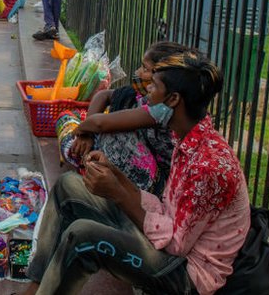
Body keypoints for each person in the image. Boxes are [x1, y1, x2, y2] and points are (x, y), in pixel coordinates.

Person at [19, 50, 250, 295]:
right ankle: (35, 287)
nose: (148, 88)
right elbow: (164, 209)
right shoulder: (188, 138)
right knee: (68, 186)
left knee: (83, 236)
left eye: (155, 85)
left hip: (187, 273)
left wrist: (118, 193)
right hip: (167, 237)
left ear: (173, 99)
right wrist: (116, 176)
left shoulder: (210, 166)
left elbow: (176, 244)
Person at [65, 41, 189, 196]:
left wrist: (82, 129)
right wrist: (86, 135)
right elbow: (104, 95)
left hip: (159, 185)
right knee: (70, 118)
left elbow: (99, 124)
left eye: (145, 69)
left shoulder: (161, 110)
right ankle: (87, 156)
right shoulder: (148, 97)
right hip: (146, 163)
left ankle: (94, 167)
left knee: (114, 133)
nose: (138, 73)